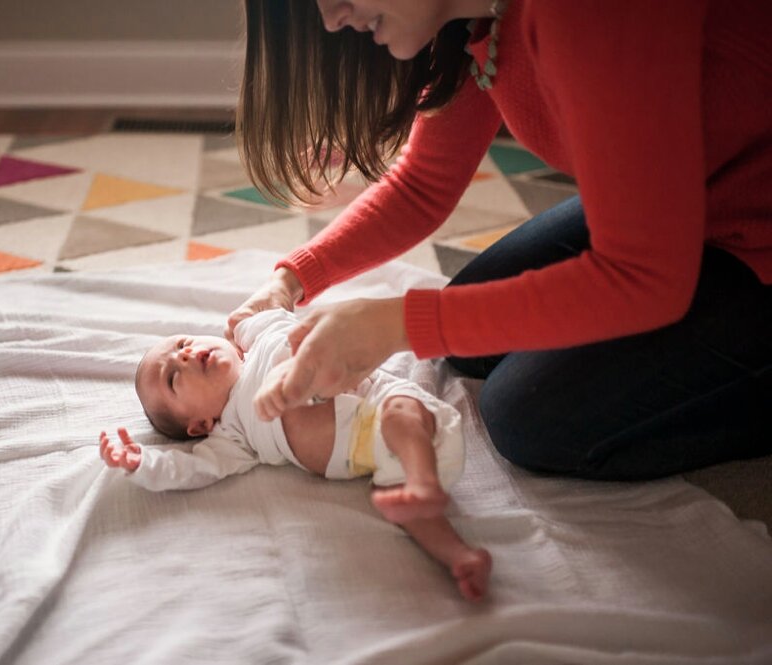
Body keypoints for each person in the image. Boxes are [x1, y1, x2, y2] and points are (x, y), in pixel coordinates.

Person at [227, 0, 772, 481]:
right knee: (475, 345)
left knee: (532, 418)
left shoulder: (585, 13)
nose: (330, 17)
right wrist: (294, 278)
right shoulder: (474, 19)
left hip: (751, 231)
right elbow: (423, 184)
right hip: (694, 200)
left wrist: (395, 324)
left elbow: (645, 277)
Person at [101, 308, 492, 601]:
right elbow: (189, 468)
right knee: (411, 514)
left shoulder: (261, 340)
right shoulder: (231, 436)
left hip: (385, 402)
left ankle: (422, 478)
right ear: (201, 425)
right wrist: (141, 463)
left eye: (183, 344)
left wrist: (249, 318)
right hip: (376, 455)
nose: (184, 356)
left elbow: (285, 317)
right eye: (173, 377)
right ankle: (459, 556)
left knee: (397, 415)